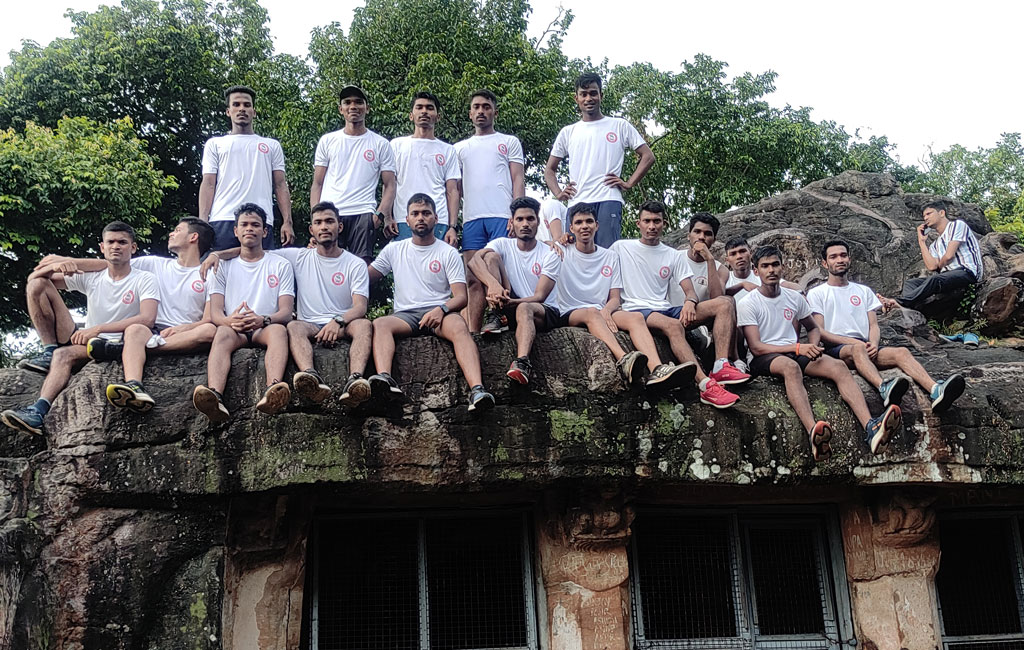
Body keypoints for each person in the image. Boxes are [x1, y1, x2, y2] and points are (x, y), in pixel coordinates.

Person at [35, 218, 219, 412]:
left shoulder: (209, 273)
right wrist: (65, 262)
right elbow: (112, 263)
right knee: (135, 329)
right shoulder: (153, 263)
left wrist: (184, 328)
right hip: (151, 332)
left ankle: (120, 349)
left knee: (209, 330)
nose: (171, 233)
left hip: (184, 333)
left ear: (193, 237)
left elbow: (209, 318)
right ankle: (134, 385)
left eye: (177, 230)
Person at [737, 246, 902, 462]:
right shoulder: (748, 303)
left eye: (775, 265)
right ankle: (813, 431)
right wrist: (798, 348)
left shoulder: (793, 298)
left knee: (838, 367)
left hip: (795, 350)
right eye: (765, 266)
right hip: (765, 357)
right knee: (790, 368)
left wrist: (813, 347)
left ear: (782, 267)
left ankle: (870, 427)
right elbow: (756, 347)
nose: (771, 270)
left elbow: (813, 327)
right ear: (756, 271)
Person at [203, 202, 374, 408]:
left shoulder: (355, 263)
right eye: (318, 222)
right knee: (292, 326)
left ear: (340, 226)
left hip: (342, 323)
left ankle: (355, 380)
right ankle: (309, 376)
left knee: (364, 324)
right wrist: (216, 254)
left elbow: (360, 307)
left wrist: (337, 321)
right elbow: (252, 249)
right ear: (311, 229)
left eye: (329, 221)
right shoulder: (296, 257)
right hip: (307, 324)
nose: (324, 227)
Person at [3, 222, 159, 434]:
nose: (116, 246)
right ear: (102, 247)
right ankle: (37, 410)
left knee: (80, 346)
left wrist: (98, 329)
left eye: (122, 242)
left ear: (133, 248)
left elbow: (147, 318)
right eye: (110, 242)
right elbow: (34, 281)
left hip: (123, 342)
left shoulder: (144, 278)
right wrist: (57, 266)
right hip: (90, 342)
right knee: (39, 290)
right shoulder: (93, 276)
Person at [609, 200, 743, 407]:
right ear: (638, 223)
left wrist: (690, 301)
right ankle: (706, 385)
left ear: (664, 223)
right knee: (673, 325)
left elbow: (689, 290)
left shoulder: (672, 255)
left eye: (656, 221)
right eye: (647, 221)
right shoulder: (621, 247)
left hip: (665, 308)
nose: (652, 226)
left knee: (725, 303)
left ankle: (721, 365)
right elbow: (596, 258)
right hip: (637, 308)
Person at [367, 193, 494, 411]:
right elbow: (364, 278)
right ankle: (385, 379)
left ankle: (477, 389)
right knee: (380, 324)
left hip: (440, 313)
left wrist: (441, 310)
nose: (421, 218)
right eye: (415, 214)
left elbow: (461, 297)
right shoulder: (394, 249)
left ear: (435, 218)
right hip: (405, 315)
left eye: (426, 213)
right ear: (407, 220)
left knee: (459, 326)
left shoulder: (448, 252)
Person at [809, 239, 966, 412]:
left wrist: (874, 344)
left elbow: (873, 325)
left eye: (843, 255)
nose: (840, 260)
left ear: (849, 259)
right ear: (825, 263)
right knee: (858, 349)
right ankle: (883, 387)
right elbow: (820, 331)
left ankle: (936, 390)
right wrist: (855, 343)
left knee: (901, 352)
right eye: (833, 257)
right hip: (838, 349)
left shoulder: (863, 291)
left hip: (866, 346)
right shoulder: (817, 293)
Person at [193, 203, 295, 421]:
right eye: (244, 225)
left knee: (279, 331)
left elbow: (286, 312)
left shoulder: (281, 264)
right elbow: (215, 313)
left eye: (255, 225)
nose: (250, 229)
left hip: (264, 326)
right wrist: (230, 322)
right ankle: (215, 395)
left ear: (265, 231)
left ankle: (274, 388)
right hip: (234, 328)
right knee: (221, 332)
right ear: (236, 231)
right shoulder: (221, 266)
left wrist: (263, 319)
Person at [544, 72, 655, 248]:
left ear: (601, 95)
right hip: (577, 200)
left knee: (607, 252)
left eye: (593, 93)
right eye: (584, 94)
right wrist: (558, 193)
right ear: (576, 98)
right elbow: (549, 170)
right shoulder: (568, 132)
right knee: (574, 254)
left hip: (608, 198)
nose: (589, 98)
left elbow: (648, 156)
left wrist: (629, 183)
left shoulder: (619, 125)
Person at [549, 202, 647, 386]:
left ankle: (656, 369)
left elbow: (615, 298)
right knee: (592, 312)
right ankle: (623, 359)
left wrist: (606, 311)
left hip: (602, 312)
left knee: (636, 317)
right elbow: (538, 246)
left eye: (589, 221)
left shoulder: (610, 256)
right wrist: (554, 241)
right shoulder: (562, 251)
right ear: (571, 228)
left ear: (597, 225)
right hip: (570, 310)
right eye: (578, 222)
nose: (584, 226)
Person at [468, 197, 561, 384]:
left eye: (530, 219)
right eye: (520, 219)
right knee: (491, 257)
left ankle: (522, 362)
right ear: (512, 222)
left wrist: (512, 302)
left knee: (524, 308)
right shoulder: (502, 243)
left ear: (538, 222)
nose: (525, 224)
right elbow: (474, 261)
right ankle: (495, 314)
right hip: (509, 302)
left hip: (542, 310)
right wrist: (493, 285)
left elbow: (540, 296)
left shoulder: (550, 253)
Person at [454, 89, 526, 332]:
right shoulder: (459, 148)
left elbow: (517, 178)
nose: (481, 111)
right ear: (470, 113)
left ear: (495, 111)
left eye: (486, 106)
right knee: (473, 277)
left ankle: (499, 318)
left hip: (501, 216)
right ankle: (473, 331)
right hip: (472, 219)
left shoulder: (508, 142)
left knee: (496, 267)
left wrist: (516, 214)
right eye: (476, 107)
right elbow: (456, 188)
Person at [199, 85, 294, 251]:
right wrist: (202, 222)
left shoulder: (271, 145)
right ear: (228, 111)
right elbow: (208, 183)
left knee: (261, 266)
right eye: (236, 104)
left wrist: (287, 222)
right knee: (218, 265)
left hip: (261, 220)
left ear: (254, 111)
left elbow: (280, 184)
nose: (242, 109)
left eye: (247, 105)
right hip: (223, 218)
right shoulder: (215, 144)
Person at [309, 85, 397, 263]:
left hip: (363, 213)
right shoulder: (328, 141)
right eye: (347, 102)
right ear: (340, 109)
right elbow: (317, 183)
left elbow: (390, 185)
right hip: (331, 212)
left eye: (358, 102)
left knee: (361, 267)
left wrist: (379, 216)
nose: (353, 106)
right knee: (327, 264)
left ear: (367, 108)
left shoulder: (380, 144)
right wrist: (316, 218)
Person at [669, 212, 750, 379]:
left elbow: (718, 298)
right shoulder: (674, 258)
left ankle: (724, 363)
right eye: (697, 232)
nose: (701, 237)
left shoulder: (720, 268)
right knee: (726, 302)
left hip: (700, 318)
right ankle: (732, 359)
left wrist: (710, 261)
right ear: (689, 235)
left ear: (713, 239)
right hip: (674, 314)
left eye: (707, 234)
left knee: (728, 301)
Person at [391, 92, 460, 246]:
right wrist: (388, 217)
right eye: (419, 107)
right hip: (403, 218)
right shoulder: (396, 145)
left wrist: (452, 226)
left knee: (437, 261)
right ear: (411, 115)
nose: (424, 111)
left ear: (438, 116)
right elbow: (390, 184)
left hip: (438, 219)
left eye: (429, 108)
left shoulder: (448, 150)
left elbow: (452, 191)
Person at [895, 200, 983, 309]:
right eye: (924, 216)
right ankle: (908, 307)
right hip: (946, 276)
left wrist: (940, 265)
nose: (925, 218)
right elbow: (932, 266)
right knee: (911, 283)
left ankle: (900, 302)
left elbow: (949, 256)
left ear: (941, 213)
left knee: (935, 279)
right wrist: (921, 242)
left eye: (929, 214)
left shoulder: (957, 225)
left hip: (966, 272)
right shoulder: (935, 245)